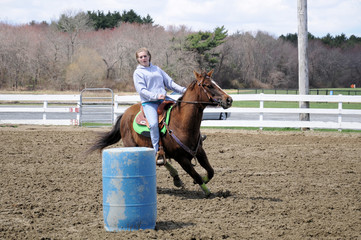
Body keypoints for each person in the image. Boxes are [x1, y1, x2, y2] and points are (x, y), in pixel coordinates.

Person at [133, 47, 186, 165]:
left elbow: (170, 83)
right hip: (149, 102)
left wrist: (185, 90)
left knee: (184, 112)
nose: (143, 58)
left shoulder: (157, 69)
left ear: (149, 56)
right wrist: (156, 96)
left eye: (145, 56)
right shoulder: (138, 73)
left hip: (164, 99)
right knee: (153, 124)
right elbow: (142, 91)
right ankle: (157, 151)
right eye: (140, 57)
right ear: (138, 59)